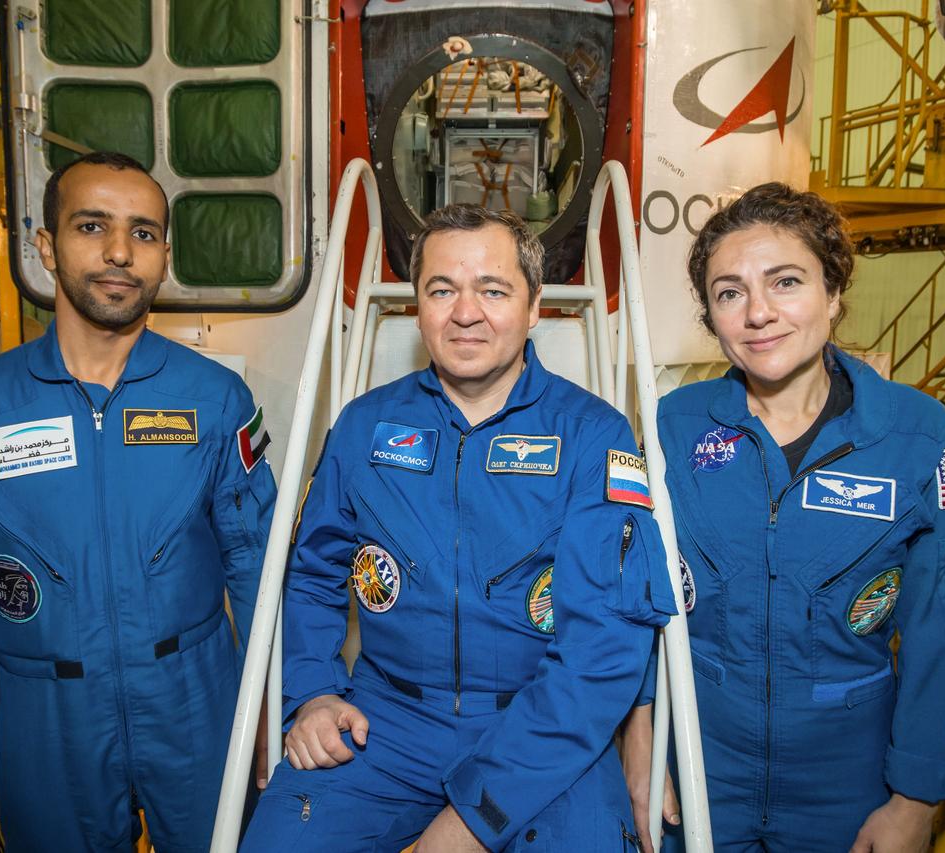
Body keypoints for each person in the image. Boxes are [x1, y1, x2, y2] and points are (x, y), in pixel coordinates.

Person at [241, 204, 675, 852]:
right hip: (383, 722)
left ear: (534, 309)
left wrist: (470, 821)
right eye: (441, 289)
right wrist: (311, 692)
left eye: (492, 290)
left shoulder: (592, 435)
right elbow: (310, 572)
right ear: (418, 306)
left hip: (542, 727)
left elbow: (603, 648)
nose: (464, 312)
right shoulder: (365, 426)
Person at [0, 151, 277, 853]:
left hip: (198, 706)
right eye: (92, 226)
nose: (120, 252)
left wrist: (271, 717)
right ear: (46, 246)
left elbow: (259, 572)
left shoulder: (214, 400)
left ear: (165, 257)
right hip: (46, 719)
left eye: (145, 233)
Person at [622, 183, 945, 852]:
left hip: (846, 783)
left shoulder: (919, 436)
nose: (757, 312)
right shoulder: (674, 425)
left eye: (785, 281)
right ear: (712, 316)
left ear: (832, 293)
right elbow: (640, 598)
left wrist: (915, 798)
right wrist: (642, 740)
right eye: (729, 292)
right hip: (701, 765)